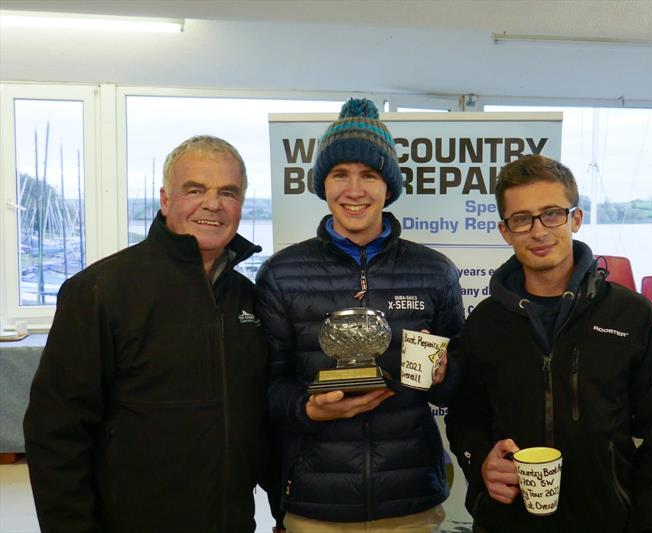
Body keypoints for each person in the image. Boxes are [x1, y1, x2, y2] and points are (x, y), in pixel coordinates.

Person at [24, 135, 271, 533]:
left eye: (229, 192)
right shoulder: (101, 291)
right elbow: (55, 432)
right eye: (195, 189)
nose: (213, 204)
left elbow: (257, 421)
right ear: (165, 199)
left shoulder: (247, 298)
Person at [445, 154, 652, 532]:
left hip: (610, 521)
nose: (539, 231)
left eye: (552, 214)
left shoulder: (633, 316)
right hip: (507, 523)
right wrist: (479, 460)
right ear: (505, 230)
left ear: (575, 218)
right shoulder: (485, 323)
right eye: (522, 219)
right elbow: (465, 418)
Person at [255, 98, 464, 532]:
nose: (355, 190)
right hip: (315, 503)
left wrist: (445, 376)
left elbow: (460, 388)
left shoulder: (434, 271)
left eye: (369, 175)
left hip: (410, 500)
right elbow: (267, 389)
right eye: (340, 174)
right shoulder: (281, 273)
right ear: (322, 185)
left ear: (389, 186)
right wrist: (309, 410)